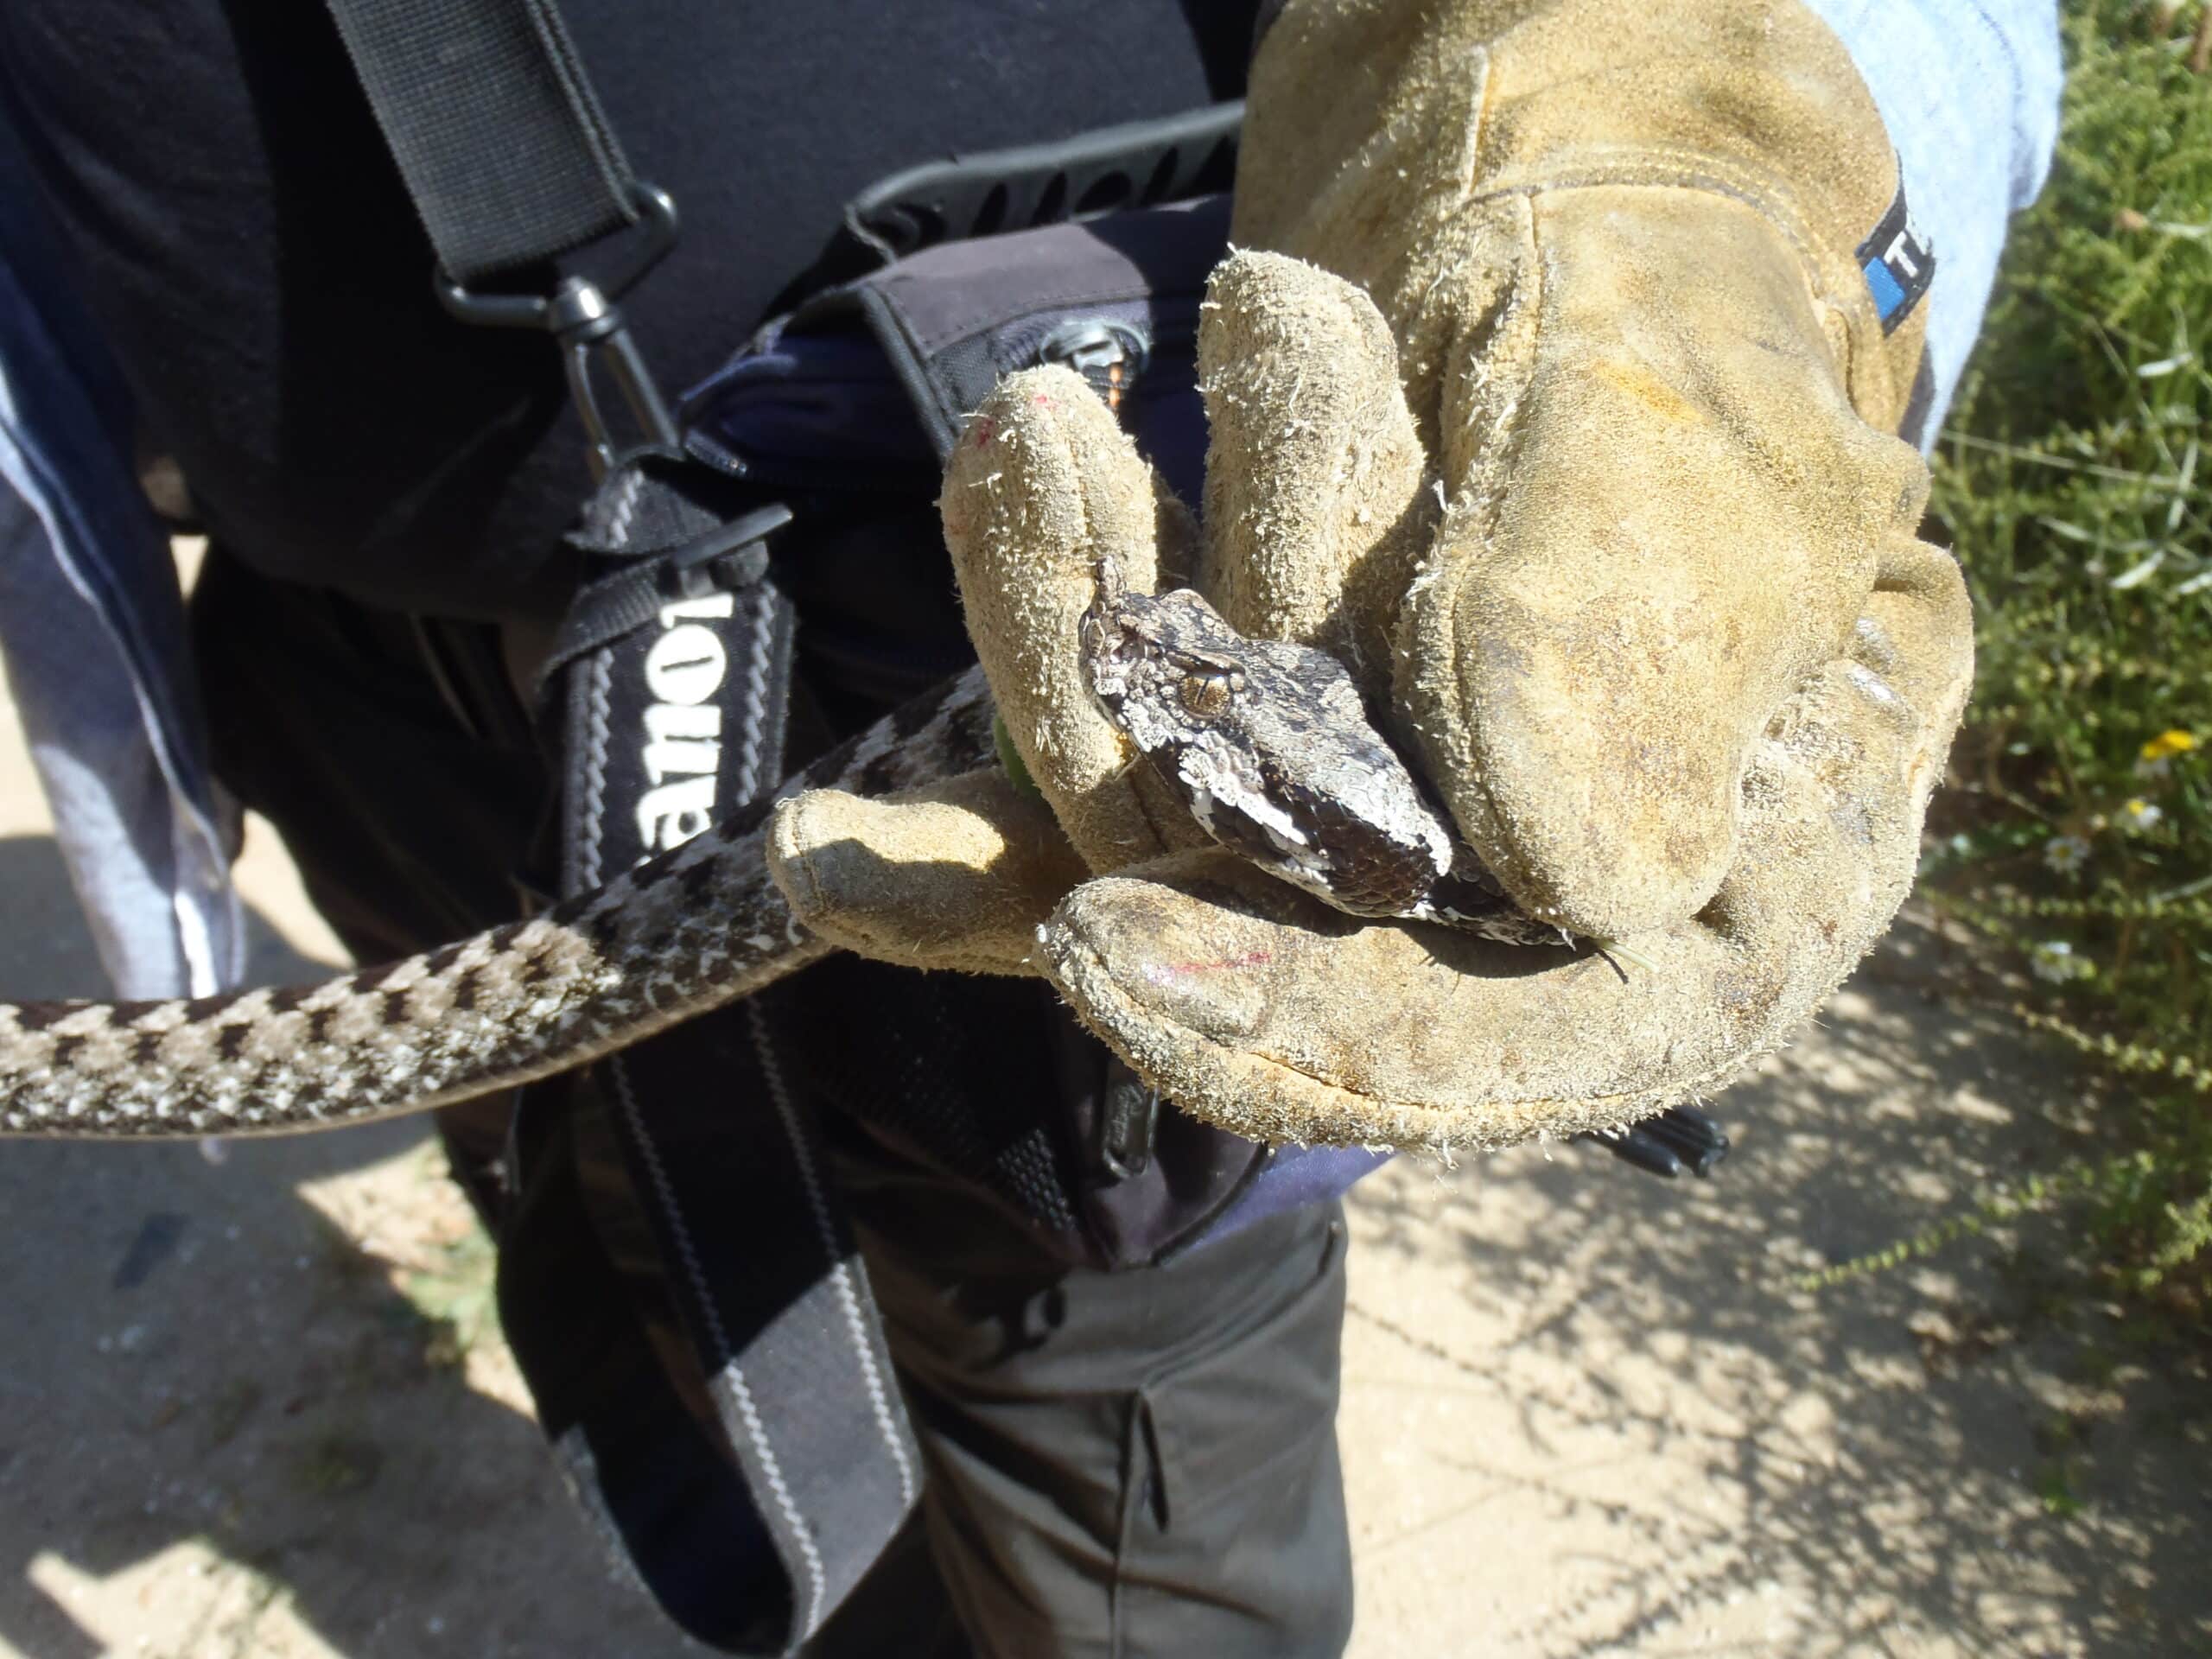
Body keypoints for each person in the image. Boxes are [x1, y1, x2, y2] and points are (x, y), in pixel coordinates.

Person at [0, 1, 2060, 1653]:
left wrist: (1703, 190)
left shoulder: (1253, 754)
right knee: (669, 1309)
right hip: (369, 673)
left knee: (1109, 1475)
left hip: (993, 638)